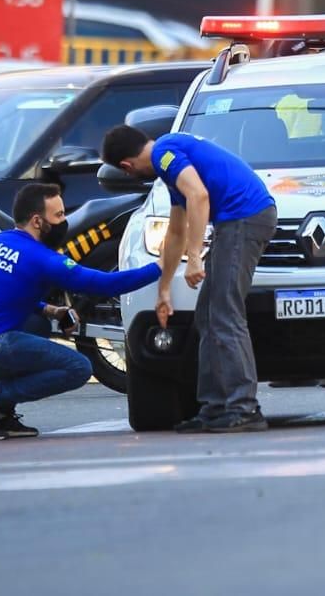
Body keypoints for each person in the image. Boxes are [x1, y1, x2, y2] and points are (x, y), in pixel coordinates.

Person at [0, 183, 161, 441]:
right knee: (77, 367)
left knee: (39, 325)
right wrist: (163, 265)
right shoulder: (43, 259)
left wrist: (51, 310)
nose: (64, 222)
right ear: (37, 221)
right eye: (59, 216)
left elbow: (0, 294)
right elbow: (107, 284)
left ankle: (0, 412)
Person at [102, 125, 278, 433]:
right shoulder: (170, 165)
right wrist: (164, 290)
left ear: (126, 167)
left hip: (243, 219)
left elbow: (199, 195)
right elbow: (176, 231)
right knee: (208, 315)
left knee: (224, 314)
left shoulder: (164, 154)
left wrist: (195, 256)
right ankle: (214, 408)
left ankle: (243, 408)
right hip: (238, 220)